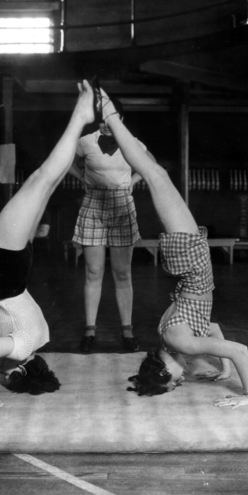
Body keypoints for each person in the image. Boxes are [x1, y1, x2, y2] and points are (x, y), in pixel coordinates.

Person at [98, 86, 248, 409]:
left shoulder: (179, 342)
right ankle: (111, 118)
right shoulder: (177, 343)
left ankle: (111, 117)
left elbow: (240, 350)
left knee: (154, 174)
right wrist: (224, 370)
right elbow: (211, 326)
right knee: (155, 174)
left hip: (192, 263)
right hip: (189, 268)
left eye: (171, 380)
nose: (180, 380)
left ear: (161, 366)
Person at [0, 80, 95, 409]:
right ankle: (80, 117)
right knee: (41, 179)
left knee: (46, 182)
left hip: (18, 270)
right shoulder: (19, 348)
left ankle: (80, 120)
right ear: (17, 371)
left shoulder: (39, 339)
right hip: (4, 269)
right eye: (4, 375)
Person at [68, 88, 156, 353]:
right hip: (93, 204)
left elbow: (150, 165)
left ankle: (127, 332)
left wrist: (133, 182)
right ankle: (90, 332)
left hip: (122, 206)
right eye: (102, 120)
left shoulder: (132, 143)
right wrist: (81, 177)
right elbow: (66, 161)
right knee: (93, 271)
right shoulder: (86, 141)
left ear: (121, 119)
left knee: (122, 272)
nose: (106, 125)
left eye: (111, 120)